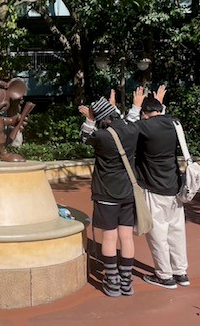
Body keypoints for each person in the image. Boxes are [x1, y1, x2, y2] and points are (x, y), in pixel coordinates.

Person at [79, 91, 141, 297]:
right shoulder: (132, 130)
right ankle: (127, 282)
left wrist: (90, 120)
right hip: (128, 192)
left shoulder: (102, 136)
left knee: (109, 237)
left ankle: (112, 281)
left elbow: (84, 138)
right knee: (127, 237)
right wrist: (112, 108)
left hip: (106, 193)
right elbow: (129, 119)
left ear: (102, 119)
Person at [128, 89, 188, 289]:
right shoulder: (174, 123)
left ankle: (165, 276)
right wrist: (158, 103)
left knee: (158, 234)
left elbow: (126, 131)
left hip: (153, 188)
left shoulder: (144, 126)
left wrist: (135, 107)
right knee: (177, 232)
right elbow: (160, 118)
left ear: (144, 114)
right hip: (175, 187)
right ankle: (181, 272)